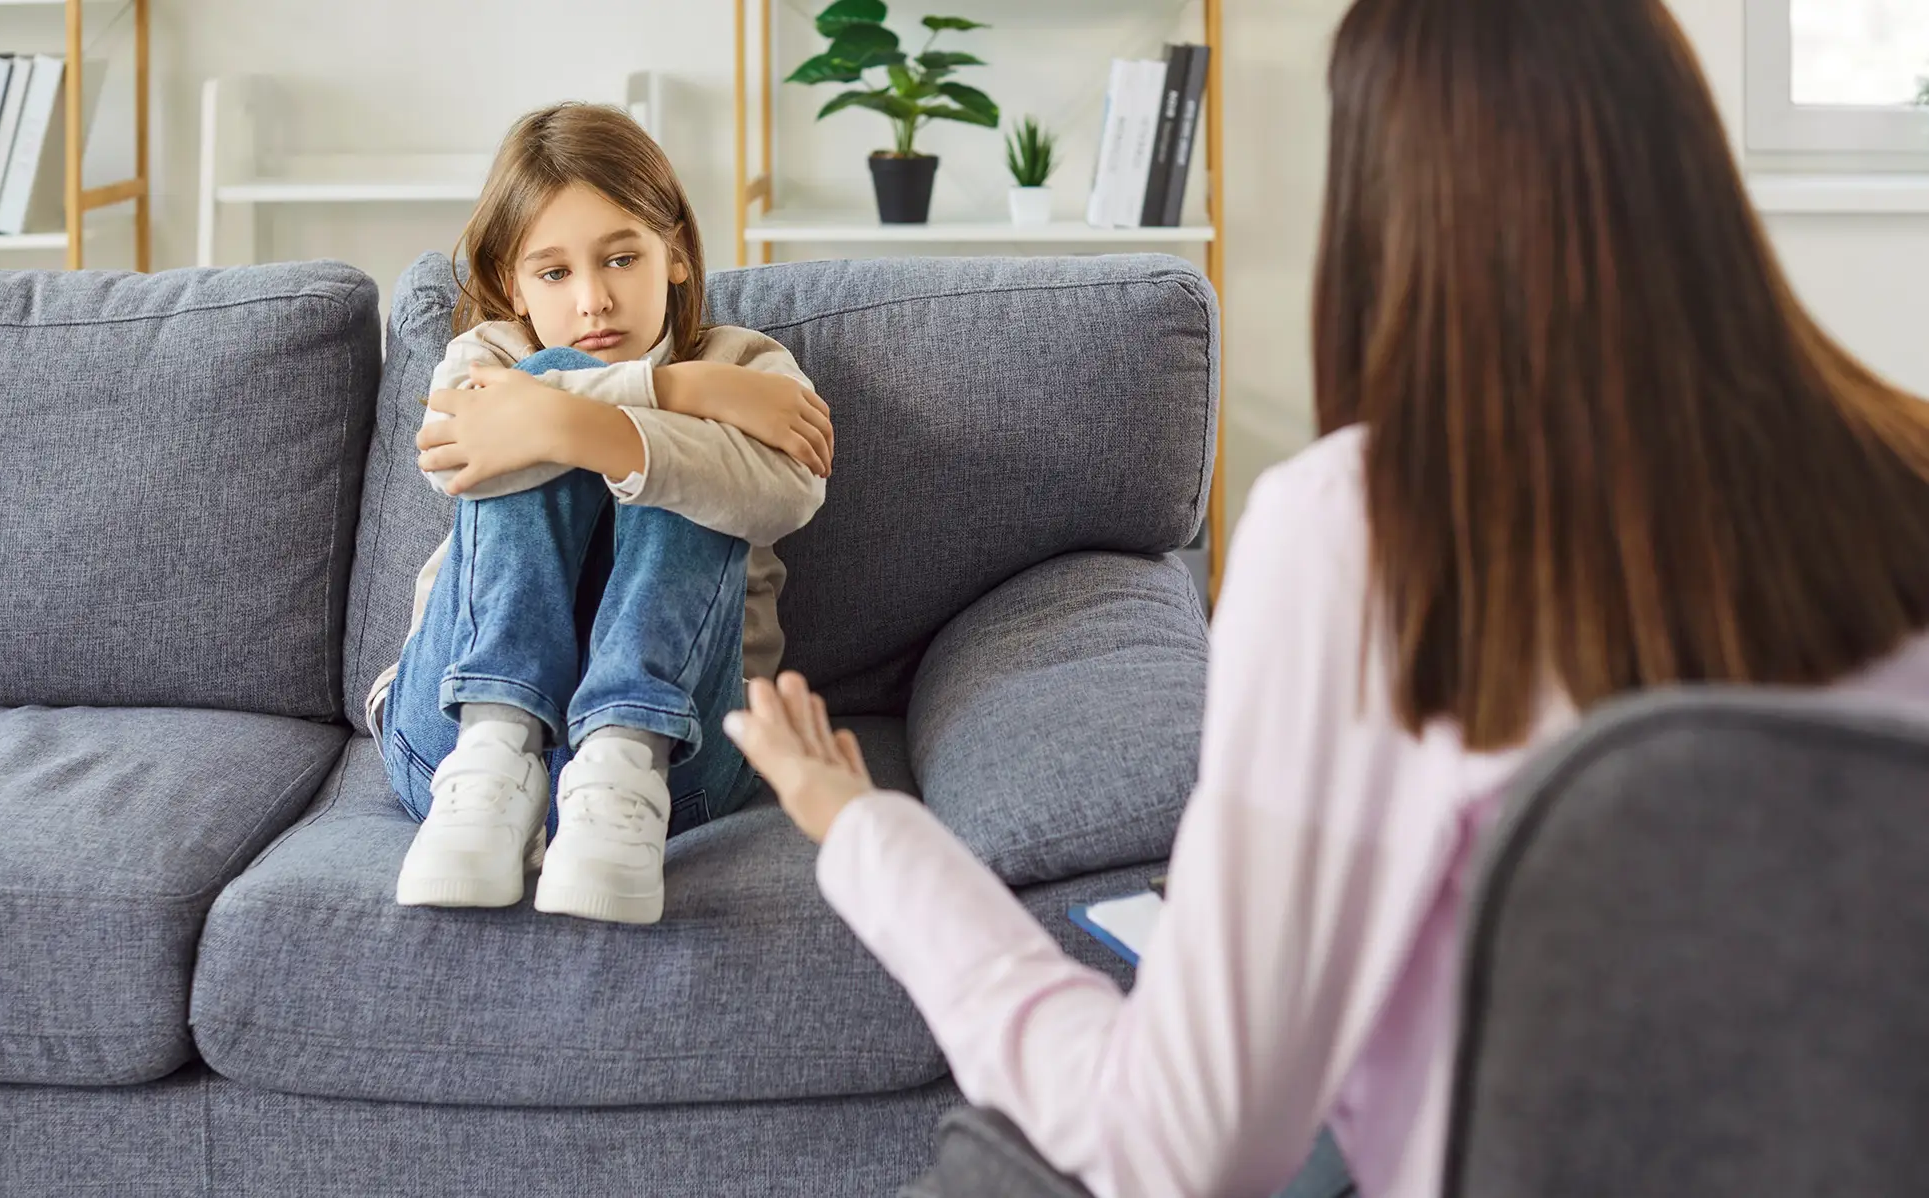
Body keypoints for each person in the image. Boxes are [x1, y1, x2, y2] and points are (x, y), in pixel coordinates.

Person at [721, 0, 1929, 1193]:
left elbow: (1173, 1147)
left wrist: (866, 831)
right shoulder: (1907, 477)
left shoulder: (1369, 532)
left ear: (1384, 209)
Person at [367, 102, 834, 925]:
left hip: (675, 764)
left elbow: (788, 493)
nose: (593, 300)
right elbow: (451, 452)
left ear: (675, 253)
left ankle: (622, 751)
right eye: (553, 274)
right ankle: (499, 745)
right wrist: (669, 389)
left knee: (691, 462)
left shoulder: (745, 367)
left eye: (621, 258)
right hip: (451, 753)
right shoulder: (489, 357)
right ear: (511, 282)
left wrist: (572, 420)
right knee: (562, 384)